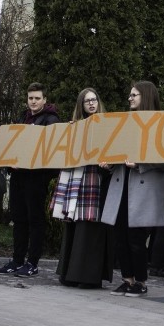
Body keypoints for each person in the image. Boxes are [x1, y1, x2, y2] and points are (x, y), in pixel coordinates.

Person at [102, 81, 164, 297]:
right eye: (130, 94)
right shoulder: (124, 122)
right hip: (122, 187)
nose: (130, 98)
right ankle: (127, 279)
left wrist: (140, 164)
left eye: (134, 95)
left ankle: (140, 281)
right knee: (120, 237)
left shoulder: (161, 124)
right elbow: (115, 149)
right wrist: (110, 162)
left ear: (146, 97)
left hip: (143, 190)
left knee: (136, 239)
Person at [0, 83, 61, 277]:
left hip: (36, 178)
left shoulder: (51, 120)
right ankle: (17, 260)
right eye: (30, 98)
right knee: (19, 219)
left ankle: (32, 263)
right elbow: (13, 144)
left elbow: (51, 150)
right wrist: (10, 162)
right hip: (18, 176)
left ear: (45, 99)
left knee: (35, 220)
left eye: (37, 98)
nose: (33, 102)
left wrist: (42, 173)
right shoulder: (22, 117)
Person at [53, 88, 113, 289]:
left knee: (91, 227)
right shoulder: (74, 128)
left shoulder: (107, 127)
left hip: (96, 179)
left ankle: (89, 276)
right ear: (81, 105)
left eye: (94, 99)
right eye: (87, 101)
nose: (91, 103)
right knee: (74, 226)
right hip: (76, 180)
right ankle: (69, 274)